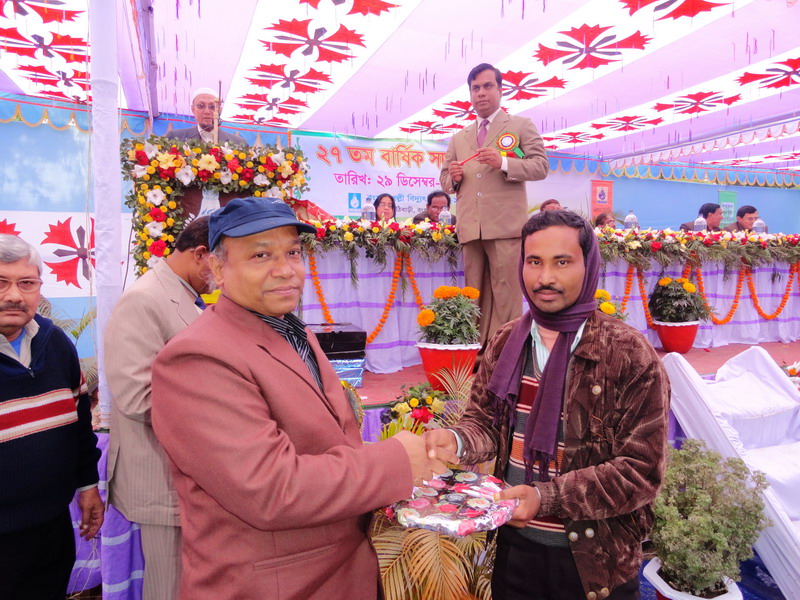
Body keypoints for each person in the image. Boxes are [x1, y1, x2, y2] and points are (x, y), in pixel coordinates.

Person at [150, 197, 445, 599]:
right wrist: (396, 462)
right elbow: (271, 489)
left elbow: (330, 439)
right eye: (260, 255)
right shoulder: (198, 356)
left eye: (292, 252)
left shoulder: (293, 330)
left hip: (340, 571)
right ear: (217, 268)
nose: (285, 269)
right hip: (271, 586)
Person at [424, 210, 670, 600]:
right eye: (534, 261)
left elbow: (640, 472)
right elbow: (484, 423)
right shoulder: (507, 342)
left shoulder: (628, 354)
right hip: (516, 551)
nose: (545, 278)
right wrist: (456, 440)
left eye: (562, 262)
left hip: (596, 563)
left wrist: (546, 497)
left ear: (588, 266)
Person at [104, 217, 212, 600]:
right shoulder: (144, 299)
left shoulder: (184, 294)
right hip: (161, 475)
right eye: (224, 261)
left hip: (189, 471)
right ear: (201, 254)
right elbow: (138, 397)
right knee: (170, 586)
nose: (226, 274)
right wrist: (222, 413)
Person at [0, 234, 103, 599]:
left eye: (27, 283)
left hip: (52, 528)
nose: (14, 295)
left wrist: (87, 485)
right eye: (1, 282)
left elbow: (79, 426)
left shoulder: (56, 342)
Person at [440, 63, 549, 349]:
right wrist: (453, 179)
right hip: (470, 227)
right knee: (472, 293)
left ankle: (505, 353)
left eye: (487, 86)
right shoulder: (459, 137)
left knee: (505, 294)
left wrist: (503, 162)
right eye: (475, 88)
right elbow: (445, 180)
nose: (481, 93)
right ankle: (475, 351)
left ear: (500, 90)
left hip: (505, 226)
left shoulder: (520, 125)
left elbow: (540, 166)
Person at [170, 87, 247, 145]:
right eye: (201, 106)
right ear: (193, 109)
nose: (207, 112)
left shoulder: (238, 143)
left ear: (219, 110)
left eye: (212, 107)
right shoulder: (175, 137)